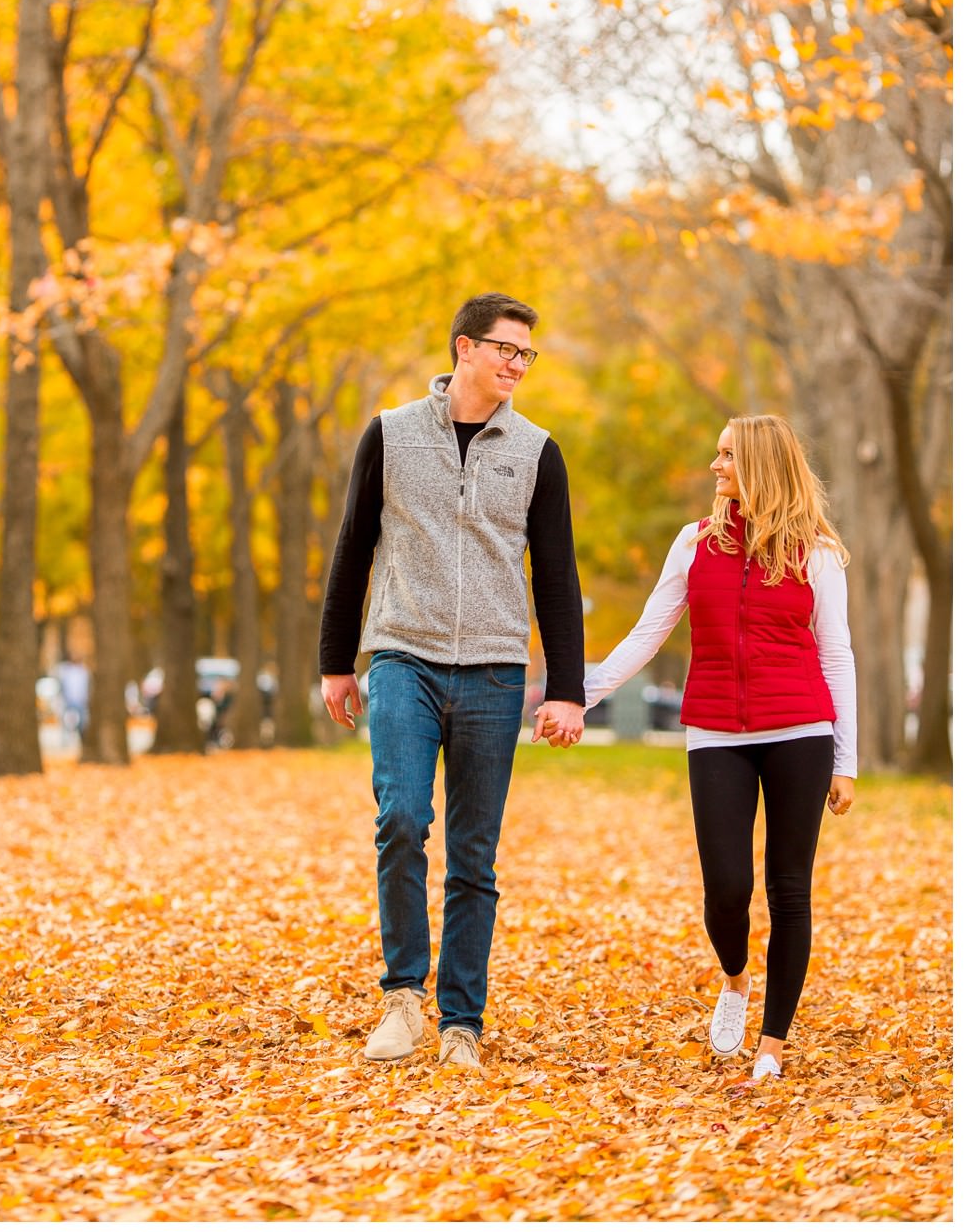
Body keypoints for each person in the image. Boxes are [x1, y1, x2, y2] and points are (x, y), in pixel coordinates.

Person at [320, 293, 586, 1070]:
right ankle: (403, 996)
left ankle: (460, 1022)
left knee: (475, 852)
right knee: (401, 818)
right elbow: (352, 549)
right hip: (402, 652)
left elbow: (558, 579)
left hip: (495, 672)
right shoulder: (392, 434)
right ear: (464, 348)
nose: (516, 364)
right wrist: (337, 661)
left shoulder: (538, 451)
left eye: (526, 354)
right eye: (506, 349)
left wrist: (564, 687)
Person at [585, 415, 856, 1084]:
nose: (714, 467)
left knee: (789, 889)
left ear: (760, 464)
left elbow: (837, 656)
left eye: (726, 455)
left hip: (799, 730)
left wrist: (845, 759)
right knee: (726, 888)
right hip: (715, 734)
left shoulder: (815, 553)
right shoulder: (694, 543)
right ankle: (734, 979)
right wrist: (577, 694)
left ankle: (772, 1043)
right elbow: (650, 631)